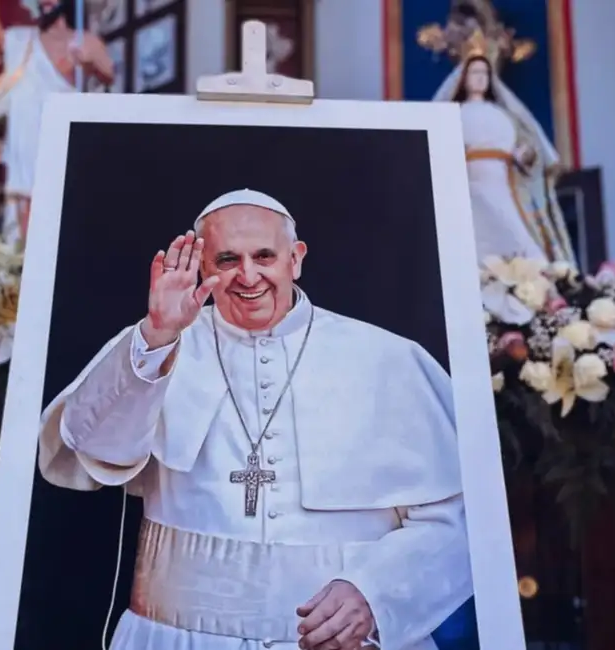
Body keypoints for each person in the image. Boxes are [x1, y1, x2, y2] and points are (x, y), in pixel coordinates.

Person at [38, 189, 474, 649]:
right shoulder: (156, 344)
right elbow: (90, 451)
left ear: (295, 258)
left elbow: (458, 520)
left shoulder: (388, 359)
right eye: (227, 259)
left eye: (264, 256)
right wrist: (157, 334)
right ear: (202, 266)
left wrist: (377, 594)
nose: (248, 276)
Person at [0, 0, 115, 245]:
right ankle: (18, 256)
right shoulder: (22, 40)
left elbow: (108, 73)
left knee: (55, 203)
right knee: (22, 203)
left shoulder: (83, 41)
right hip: (25, 135)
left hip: (57, 135)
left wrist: (89, 61)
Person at [431, 33, 576, 265]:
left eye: (484, 73)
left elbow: (531, 150)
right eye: (474, 72)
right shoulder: (452, 115)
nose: (480, 78)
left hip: (504, 186)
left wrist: (526, 155)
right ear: (463, 78)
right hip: (468, 186)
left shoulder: (506, 115)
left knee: (520, 240)